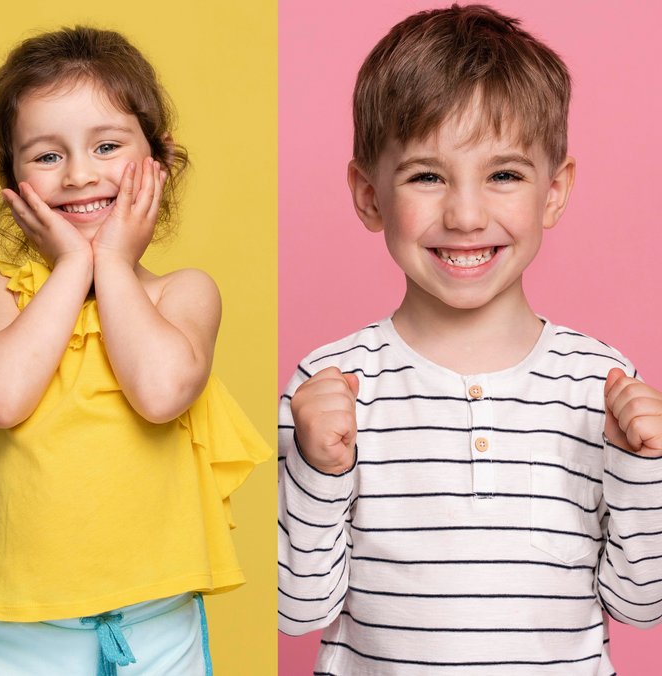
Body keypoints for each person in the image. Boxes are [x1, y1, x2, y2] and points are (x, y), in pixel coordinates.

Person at [277, 5, 662, 673]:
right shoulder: (328, 383)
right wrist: (319, 469)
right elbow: (296, 610)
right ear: (369, 196)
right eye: (427, 176)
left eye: (503, 175)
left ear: (554, 191)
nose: (464, 213)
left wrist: (642, 471)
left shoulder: (601, 382)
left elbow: (642, 603)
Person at [0, 26, 270, 675]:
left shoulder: (183, 297)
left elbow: (158, 393)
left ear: (159, 159)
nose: (78, 174)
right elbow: (2, 397)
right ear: (9, 181)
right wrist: (74, 264)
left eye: (106, 145)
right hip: (21, 632)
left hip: (155, 629)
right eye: (46, 156)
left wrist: (113, 263)